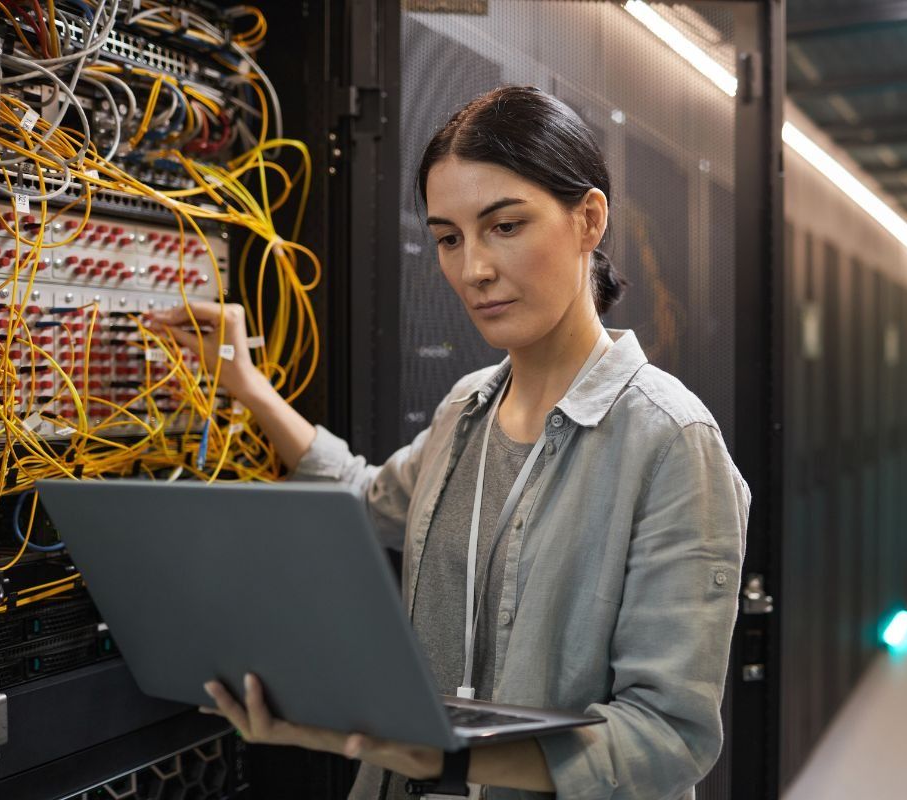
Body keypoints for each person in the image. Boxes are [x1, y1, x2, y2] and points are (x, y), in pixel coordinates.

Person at [145, 85, 749, 800]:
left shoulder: (671, 441)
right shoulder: (468, 408)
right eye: (449, 238)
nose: (473, 270)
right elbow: (365, 500)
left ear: (588, 219)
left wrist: (444, 757)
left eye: (504, 226)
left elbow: (666, 738)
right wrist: (249, 389)